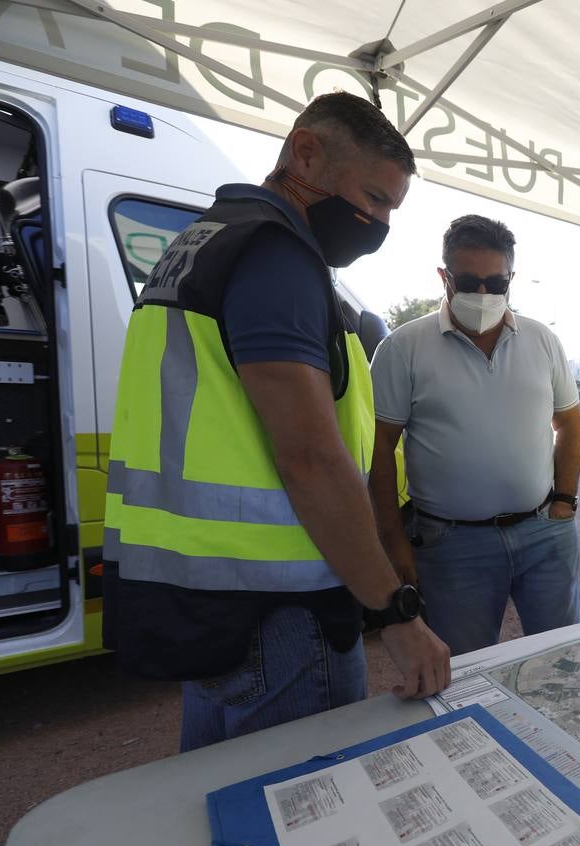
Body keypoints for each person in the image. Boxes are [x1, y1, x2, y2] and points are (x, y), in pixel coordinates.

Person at [102, 92, 450, 752]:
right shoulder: (276, 256)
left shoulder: (197, 245)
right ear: (306, 151)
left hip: (212, 598)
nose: (376, 223)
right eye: (374, 199)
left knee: (233, 811)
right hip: (281, 609)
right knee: (306, 820)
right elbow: (311, 457)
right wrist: (395, 611)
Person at [369, 215, 580, 656]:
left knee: (566, 661)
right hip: (452, 545)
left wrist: (565, 499)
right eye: (468, 281)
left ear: (511, 279)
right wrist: (393, 542)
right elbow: (379, 448)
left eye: (496, 283)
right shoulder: (403, 348)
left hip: (545, 532)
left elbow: (570, 423)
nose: (483, 295)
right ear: (443, 277)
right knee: (465, 672)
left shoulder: (543, 341)